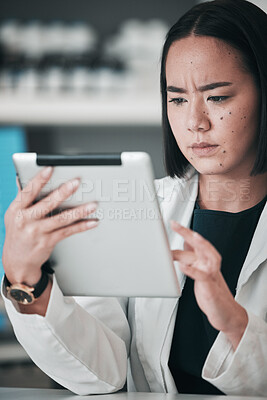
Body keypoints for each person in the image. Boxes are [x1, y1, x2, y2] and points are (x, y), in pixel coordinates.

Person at [1, 0, 267, 395]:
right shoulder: (143, 208)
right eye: (177, 99)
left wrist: (231, 320)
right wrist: (27, 281)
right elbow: (102, 373)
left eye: (218, 97)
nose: (195, 122)